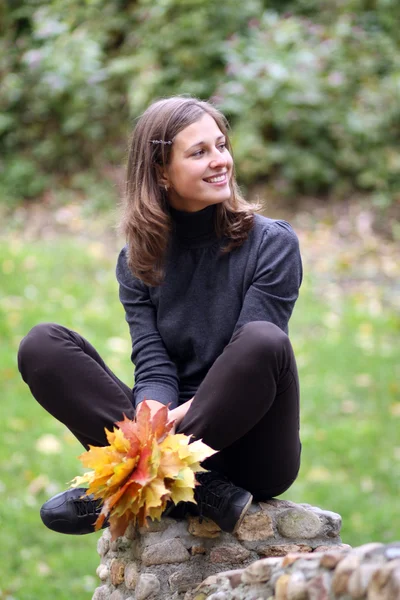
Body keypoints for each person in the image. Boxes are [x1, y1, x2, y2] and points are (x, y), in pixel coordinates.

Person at [17, 96, 303, 537]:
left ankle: (131, 476)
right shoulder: (137, 260)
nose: (220, 161)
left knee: (264, 339)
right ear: (160, 173)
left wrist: (164, 429)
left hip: (252, 442)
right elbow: (152, 361)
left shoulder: (272, 243)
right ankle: (197, 489)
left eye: (221, 146)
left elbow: (249, 358)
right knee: (42, 345)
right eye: (199, 152)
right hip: (171, 425)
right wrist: (151, 408)